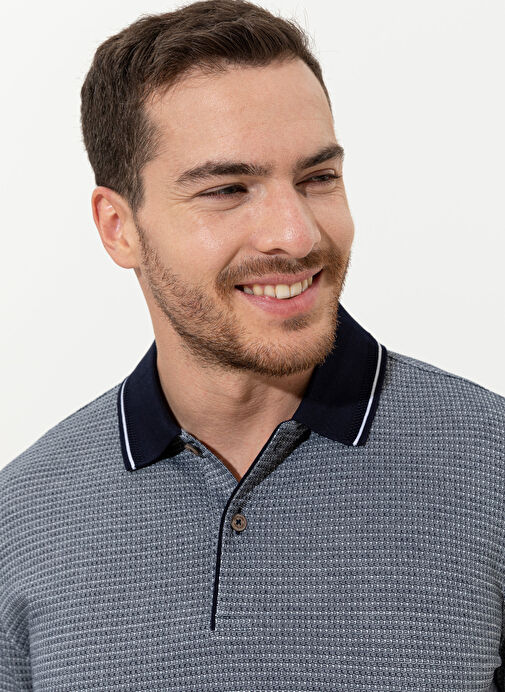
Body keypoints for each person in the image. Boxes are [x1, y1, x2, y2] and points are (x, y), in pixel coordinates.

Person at [1, 0, 504, 689]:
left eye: (317, 178)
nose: (295, 234)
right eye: (228, 189)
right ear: (119, 227)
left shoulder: (492, 467)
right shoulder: (22, 520)